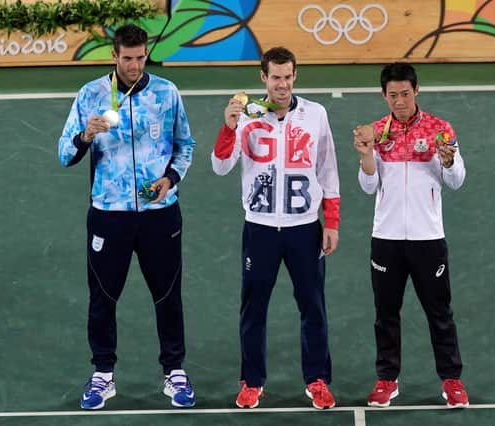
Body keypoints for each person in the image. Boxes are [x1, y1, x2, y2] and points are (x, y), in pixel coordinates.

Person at [58, 24, 196, 410]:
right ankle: (103, 375)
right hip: (109, 215)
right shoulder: (91, 95)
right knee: (102, 298)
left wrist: (170, 178)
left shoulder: (167, 93)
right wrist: (85, 135)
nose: (136, 65)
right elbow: (64, 154)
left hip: (159, 214)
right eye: (128, 58)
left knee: (168, 296)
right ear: (114, 56)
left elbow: (185, 145)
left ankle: (174, 373)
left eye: (141, 57)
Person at [211, 47, 340, 410]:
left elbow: (328, 169)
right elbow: (221, 166)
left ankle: (317, 380)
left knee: (313, 307)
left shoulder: (315, 114)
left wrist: (331, 222)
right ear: (263, 78)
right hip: (261, 228)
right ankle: (252, 381)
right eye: (275, 77)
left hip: (305, 228)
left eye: (288, 77)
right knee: (254, 308)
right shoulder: (248, 115)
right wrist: (229, 126)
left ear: (295, 75)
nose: (282, 85)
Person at [353, 62, 469, 408]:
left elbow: (456, 181)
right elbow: (368, 186)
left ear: (416, 91)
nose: (399, 101)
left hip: (428, 238)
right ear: (383, 95)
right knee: (385, 313)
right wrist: (366, 157)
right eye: (393, 95)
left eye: (405, 94)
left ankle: (452, 381)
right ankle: (387, 380)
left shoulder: (439, 129)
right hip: (386, 239)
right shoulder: (375, 132)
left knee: (440, 312)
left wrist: (448, 161)